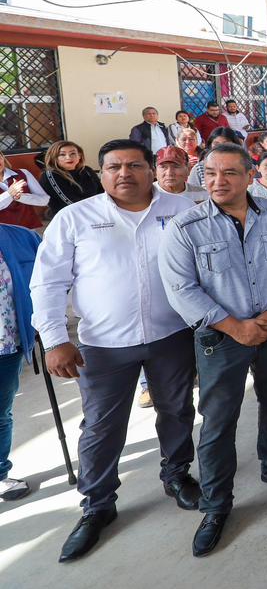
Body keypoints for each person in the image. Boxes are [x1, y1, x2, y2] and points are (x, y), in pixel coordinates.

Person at [31, 139, 199, 562]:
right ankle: (97, 504)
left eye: (134, 166)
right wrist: (55, 339)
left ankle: (177, 475)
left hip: (172, 337)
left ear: (151, 170)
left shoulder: (180, 211)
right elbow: (48, 283)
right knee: (102, 427)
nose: (124, 174)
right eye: (114, 167)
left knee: (177, 410)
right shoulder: (75, 218)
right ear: (101, 173)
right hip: (103, 346)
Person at [158, 143, 267, 557]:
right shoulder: (185, 228)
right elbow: (181, 289)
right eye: (209, 174)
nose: (218, 182)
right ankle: (216, 505)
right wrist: (237, 328)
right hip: (220, 336)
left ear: (249, 177)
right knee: (219, 419)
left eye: (228, 173)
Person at [0, 220, 40, 501]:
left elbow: (50, 282)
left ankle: (0, 474)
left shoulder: (22, 238)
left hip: (7, 343)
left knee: (1, 411)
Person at [40, 140, 103, 219]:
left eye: (73, 153)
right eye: (62, 154)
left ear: (79, 155)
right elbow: (69, 202)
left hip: (96, 214)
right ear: (54, 158)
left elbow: (102, 192)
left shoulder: (87, 170)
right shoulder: (50, 175)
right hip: (70, 218)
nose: (68, 157)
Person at [0, 151, 48, 229]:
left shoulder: (23, 173)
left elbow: (44, 200)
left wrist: (21, 197)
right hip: (3, 233)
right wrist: (10, 193)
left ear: (3, 158)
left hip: (28, 229)